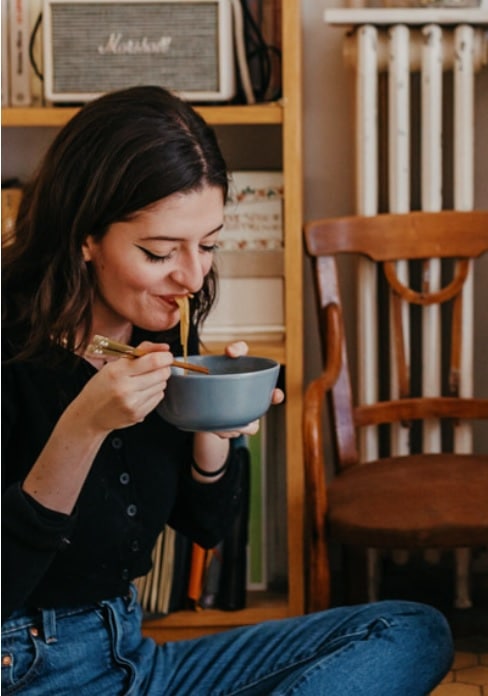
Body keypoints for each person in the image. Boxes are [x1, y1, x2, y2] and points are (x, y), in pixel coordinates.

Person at [1, 85, 453, 695]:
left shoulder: (158, 329)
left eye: (208, 245)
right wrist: (85, 427)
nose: (191, 277)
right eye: (160, 252)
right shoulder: (12, 345)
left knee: (410, 630)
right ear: (85, 236)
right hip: (27, 668)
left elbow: (206, 526)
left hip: (133, 655)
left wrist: (212, 431)